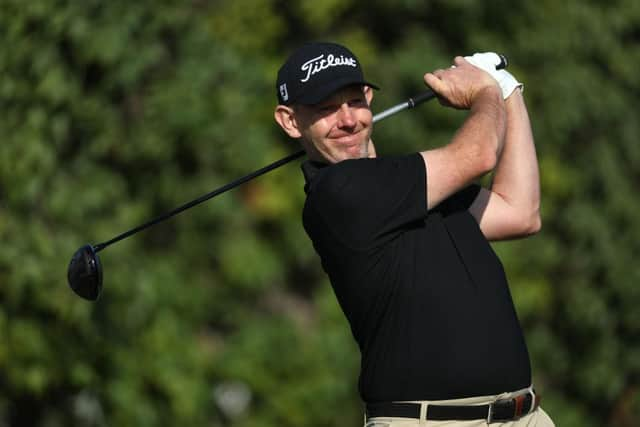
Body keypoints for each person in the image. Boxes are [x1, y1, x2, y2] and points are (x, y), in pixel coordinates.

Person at [274, 41, 554, 426]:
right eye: (325, 109)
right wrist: (484, 91)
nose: (348, 120)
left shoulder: (408, 185)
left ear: (370, 97)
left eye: (355, 101)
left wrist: (509, 91)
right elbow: (479, 156)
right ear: (290, 121)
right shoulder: (339, 193)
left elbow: (521, 212)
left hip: (524, 416)